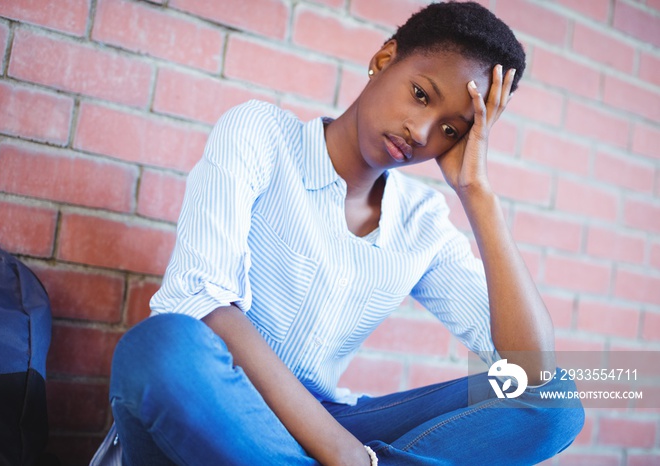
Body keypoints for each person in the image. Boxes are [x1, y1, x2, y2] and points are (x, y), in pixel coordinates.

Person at [107, 2, 585, 465]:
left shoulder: (421, 222)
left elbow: (531, 371)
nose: (421, 132)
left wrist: (477, 194)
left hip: (332, 423)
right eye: (421, 94)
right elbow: (203, 301)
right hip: (221, 407)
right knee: (162, 347)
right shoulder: (262, 136)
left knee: (553, 399)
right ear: (383, 60)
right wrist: (344, 454)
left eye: (451, 130)